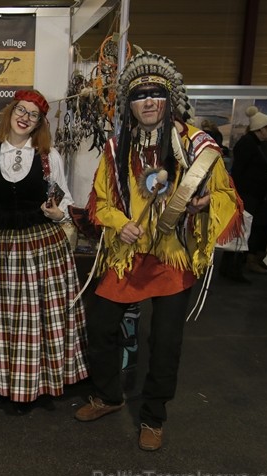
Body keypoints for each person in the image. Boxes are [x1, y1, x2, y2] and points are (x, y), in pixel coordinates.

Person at [74, 51, 240, 451]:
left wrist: (201, 206)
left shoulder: (196, 145)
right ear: (130, 104)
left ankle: (153, 417)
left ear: (169, 99)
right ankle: (110, 396)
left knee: (166, 341)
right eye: (139, 95)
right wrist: (120, 224)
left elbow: (227, 197)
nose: (148, 101)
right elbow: (101, 202)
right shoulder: (116, 149)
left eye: (156, 93)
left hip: (172, 255)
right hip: (127, 255)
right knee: (99, 327)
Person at [0, 90, 88, 412]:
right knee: (5, 320)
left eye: (33, 115)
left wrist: (59, 213)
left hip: (41, 245)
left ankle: (38, 382)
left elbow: (63, 200)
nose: (25, 117)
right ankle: (5, 383)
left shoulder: (50, 156)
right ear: (10, 112)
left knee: (37, 319)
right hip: (2, 245)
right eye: (21, 110)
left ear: (38, 124)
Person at [224, 107, 267, 278]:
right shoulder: (249, 144)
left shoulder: (253, 144)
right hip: (246, 196)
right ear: (260, 128)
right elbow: (242, 172)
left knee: (241, 231)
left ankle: (232, 268)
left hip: (248, 195)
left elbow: (248, 171)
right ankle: (232, 269)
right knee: (241, 231)